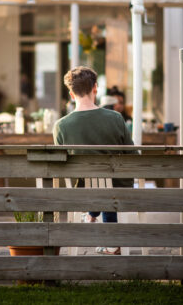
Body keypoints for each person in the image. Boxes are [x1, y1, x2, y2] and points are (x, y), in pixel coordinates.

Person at [53, 66, 135, 255]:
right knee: (106, 184)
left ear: (71, 94)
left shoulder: (61, 126)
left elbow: (60, 165)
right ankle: (110, 240)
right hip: (119, 189)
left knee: (98, 184)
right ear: (95, 88)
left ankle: (91, 215)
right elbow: (133, 157)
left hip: (82, 193)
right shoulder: (116, 118)